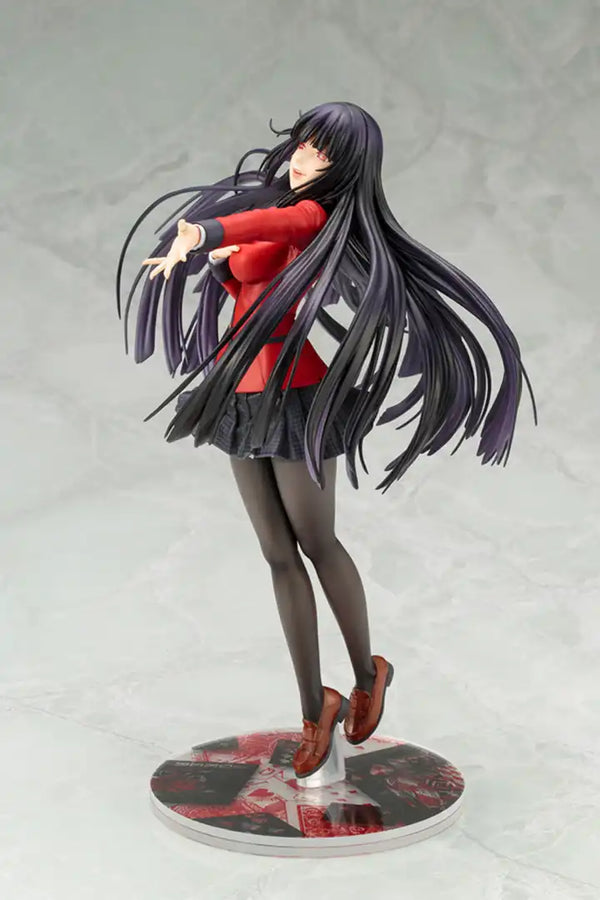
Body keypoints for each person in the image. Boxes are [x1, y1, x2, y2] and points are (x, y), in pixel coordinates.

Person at [116, 101, 537, 779]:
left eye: (322, 152)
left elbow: (273, 226)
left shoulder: (314, 217)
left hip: (295, 396)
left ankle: (369, 674)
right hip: (238, 396)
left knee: (317, 542)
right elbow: (249, 275)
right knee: (276, 554)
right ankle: (315, 709)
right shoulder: (281, 207)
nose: (303, 158)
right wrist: (218, 260)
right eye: (303, 144)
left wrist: (204, 231)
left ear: (344, 168)